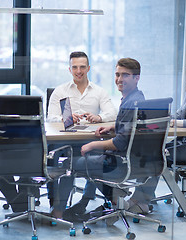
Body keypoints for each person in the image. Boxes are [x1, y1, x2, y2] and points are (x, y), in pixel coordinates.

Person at [51, 57, 145, 219]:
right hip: (127, 158)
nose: (119, 79)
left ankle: (60, 210)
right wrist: (114, 127)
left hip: (119, 161)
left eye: (125, 75)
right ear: (69, 69)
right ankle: (112, 195)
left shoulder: (129, 102)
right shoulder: (135, 98)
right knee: (80, 157)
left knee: (70, 162)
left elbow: (121, 141)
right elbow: (130, 128)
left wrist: (93, 145)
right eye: (117, 75)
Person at [128, 54, 186, 215]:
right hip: (185, 142)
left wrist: (175, 123)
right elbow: (179, 113)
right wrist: (163, 118)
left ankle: (142, 201)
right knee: (149, 151)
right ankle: (143, 195)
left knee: (157, 156)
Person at [47, 51, 117, 214]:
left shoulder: (99, 91)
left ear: (89, 68)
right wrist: (67, 119)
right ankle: (56, 203)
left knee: (92, 155)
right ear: (69, 69)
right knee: (59, 158)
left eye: (82, 67)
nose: (79, 71)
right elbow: (50, 118)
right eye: (75, 67)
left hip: (89, 139)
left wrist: (98, 117)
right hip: (64, 139)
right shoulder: (60, 91)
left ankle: (84, 201)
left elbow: (112, 113)